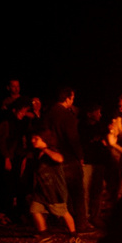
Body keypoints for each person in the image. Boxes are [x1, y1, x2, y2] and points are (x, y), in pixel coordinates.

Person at [25, 129, 79, 243]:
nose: (33, 141)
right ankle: (44, 235)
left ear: (44, 140)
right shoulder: (36, 153)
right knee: (34, 209)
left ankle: (74, 235)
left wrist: (45, 150)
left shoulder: (51, 151)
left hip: (55, 191)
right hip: (42, 190)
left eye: (36, 138)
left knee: (62, 211)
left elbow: (59, 159)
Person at [45, 88, 88, 230]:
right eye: (72, 98)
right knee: (77, 192)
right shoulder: (67, 115)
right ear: (68, 98)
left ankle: (62, 221)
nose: (73, 101)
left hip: (52, 156)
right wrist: (80, 155)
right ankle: (81, 223)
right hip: (69, 158)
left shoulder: (49, 113)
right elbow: (73, 138)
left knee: (60, 192)